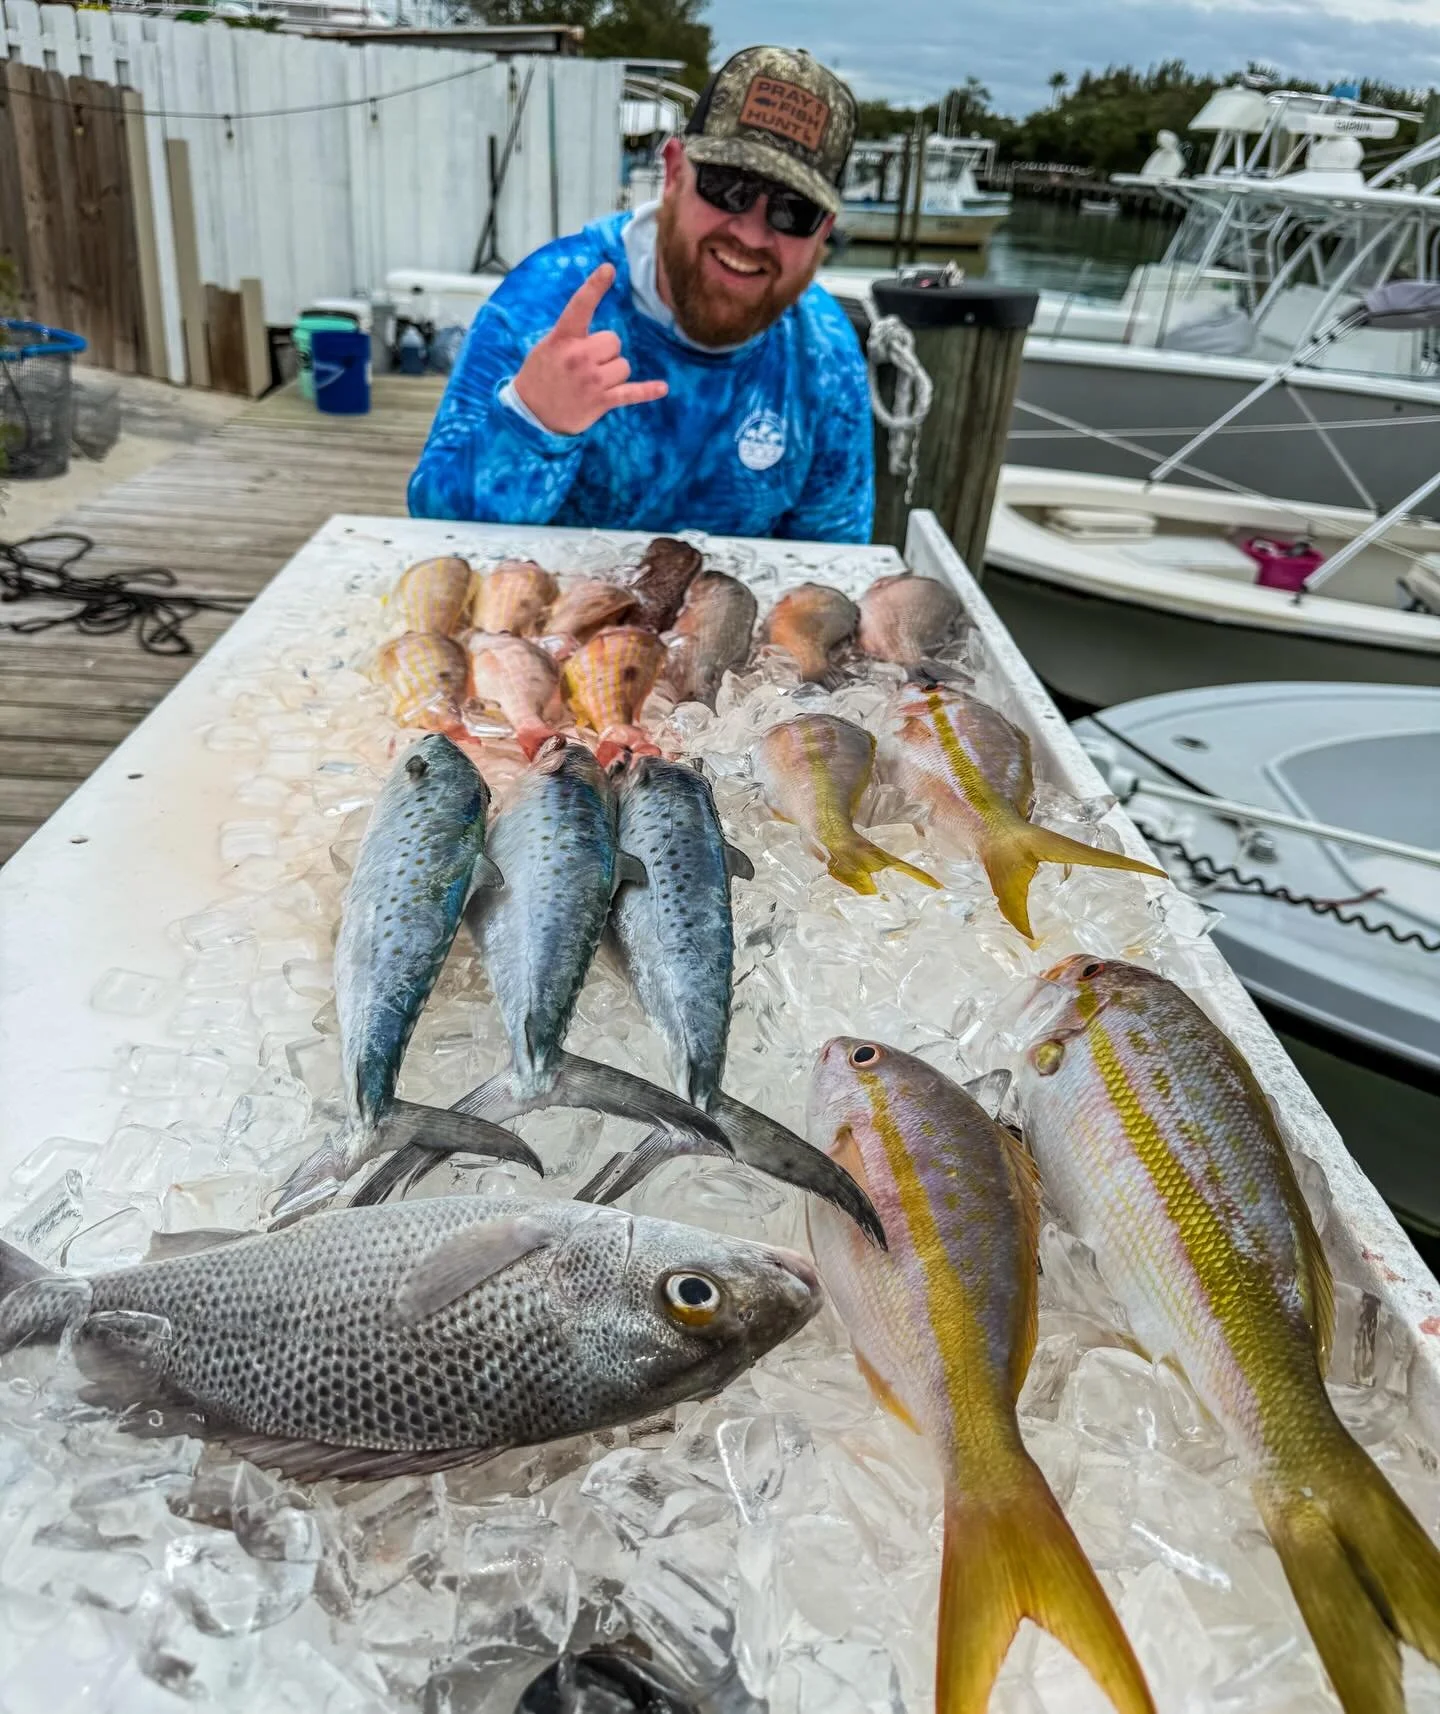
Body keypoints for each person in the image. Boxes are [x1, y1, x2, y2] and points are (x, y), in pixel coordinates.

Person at [408, 46, 873, 543]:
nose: (752, 234)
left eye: (793, 212)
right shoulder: (545, 305)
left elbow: (835, 561)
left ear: (824, 231)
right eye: (727, 187)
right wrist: (530, 421)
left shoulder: (825, 351)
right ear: (674, 174)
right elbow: (440, 533)